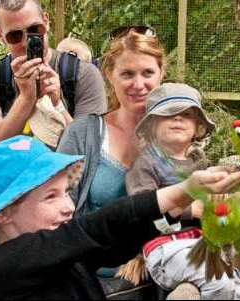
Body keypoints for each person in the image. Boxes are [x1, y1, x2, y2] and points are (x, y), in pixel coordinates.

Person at [0, 135, 240, 299]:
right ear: (3, 214)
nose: (69, 206)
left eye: (66, 192)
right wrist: (178, 191)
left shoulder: (64, 259)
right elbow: (98, 228)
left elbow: (117, 242)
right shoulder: (5, 268)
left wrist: (176, 208)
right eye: (50, 196)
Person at [121, 82, 240, 300]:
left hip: (202, 245)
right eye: (168, 115)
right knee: (219, 283)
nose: (178, 119)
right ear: (152, 125)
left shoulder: (199, 163)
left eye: (186, 114)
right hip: (165, 249)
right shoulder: (146, 164)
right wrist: (197, 209)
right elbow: (143, 213)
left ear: (198, 126)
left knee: (238, 291)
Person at [56, 26, 166, 282]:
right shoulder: (83, 135)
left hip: (159, 274)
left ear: (161, 73)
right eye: (127, 73)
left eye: (148, 72)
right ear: (109, 74)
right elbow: (58, 204)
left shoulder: (178, 135)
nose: (138, 84)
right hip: (89, 277)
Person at [0, 0, 107, 151]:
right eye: (15, 36)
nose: (27, 42)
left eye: (34, 30)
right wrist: (26, 98)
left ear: (46, 22)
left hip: (68, 173)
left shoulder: (83, 74)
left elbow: (92, 150)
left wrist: (58, 105)